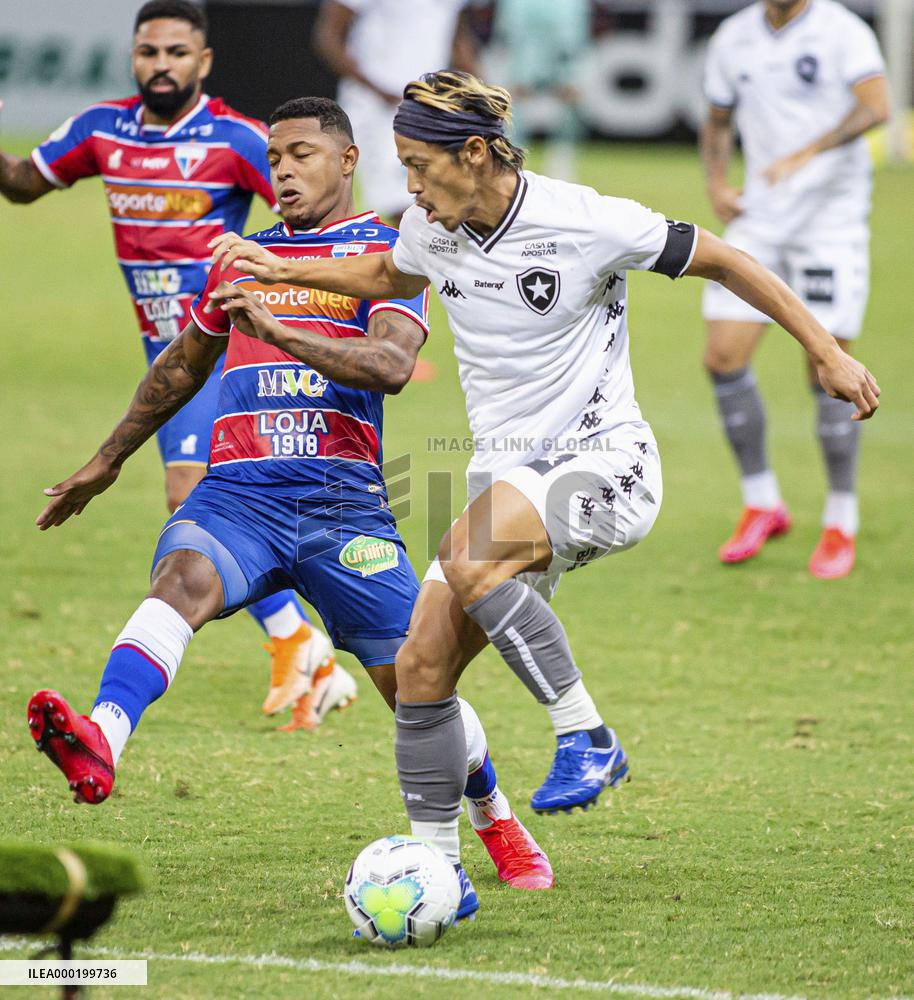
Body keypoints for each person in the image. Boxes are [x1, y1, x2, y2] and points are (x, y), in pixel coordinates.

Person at [207, 71, 880, 912]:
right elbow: (386, 272)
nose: (409, 185)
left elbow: (727, 259)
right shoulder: (434, 224)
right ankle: (438, 873)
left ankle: (586, 735)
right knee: (419, 666)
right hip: (510, 480)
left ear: (478, 152)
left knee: (465, 552)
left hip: (605, 462)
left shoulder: (586, 220)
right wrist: (278, 264)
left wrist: (823, 350)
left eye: (420, 164)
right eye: (402, 167)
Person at [27, 97, 554, 914]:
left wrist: (276, 329)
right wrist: (105, 461)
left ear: (346, 162)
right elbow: (181, 366)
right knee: (180, 581)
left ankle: (494, 815)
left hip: (344, 504)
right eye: (273, 157)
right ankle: (101, 738)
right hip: (240, 490)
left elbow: (387, 364)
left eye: (302, 154)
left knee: (416, 684)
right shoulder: (239, 259)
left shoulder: (388, 253)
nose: (282, 171)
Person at [0, 0, 340, 726]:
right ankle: (302, 643)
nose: (162, 66)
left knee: (192, 497)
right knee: (212, 502)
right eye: (149, 52)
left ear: (203, 62)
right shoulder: (100, 131)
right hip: (169, 353)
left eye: (177, 54)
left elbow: (319, 213)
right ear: (133, 57)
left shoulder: (234, 138)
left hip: (227, 346)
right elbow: (25, 182)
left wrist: (282, 281)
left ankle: (301, 643)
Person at [700, 0, 889, 578]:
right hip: (762, 215)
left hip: (829, 222)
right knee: (723, 356)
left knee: (826, 368)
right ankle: (762, 502)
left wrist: (808, 152)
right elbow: (717, 118)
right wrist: (716, 183)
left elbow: (877, 107)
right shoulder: (734, 36)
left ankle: (840, 519)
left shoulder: (843, 31)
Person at [313, 0, 476, 225]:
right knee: (405, 204)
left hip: (428, 107)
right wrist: (379, 91)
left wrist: (480, 92)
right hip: (376, 110)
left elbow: (457, 40)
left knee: (447, 195)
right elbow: (329, 36)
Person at [492, 0, 590, 181]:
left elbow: (576, 36)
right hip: (524, 58)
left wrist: (572, 74)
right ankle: (512, 163)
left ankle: (561, 163)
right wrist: (515, 70)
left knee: (571, 111)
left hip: (561, 58)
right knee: (511, 111)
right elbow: (508, 33)